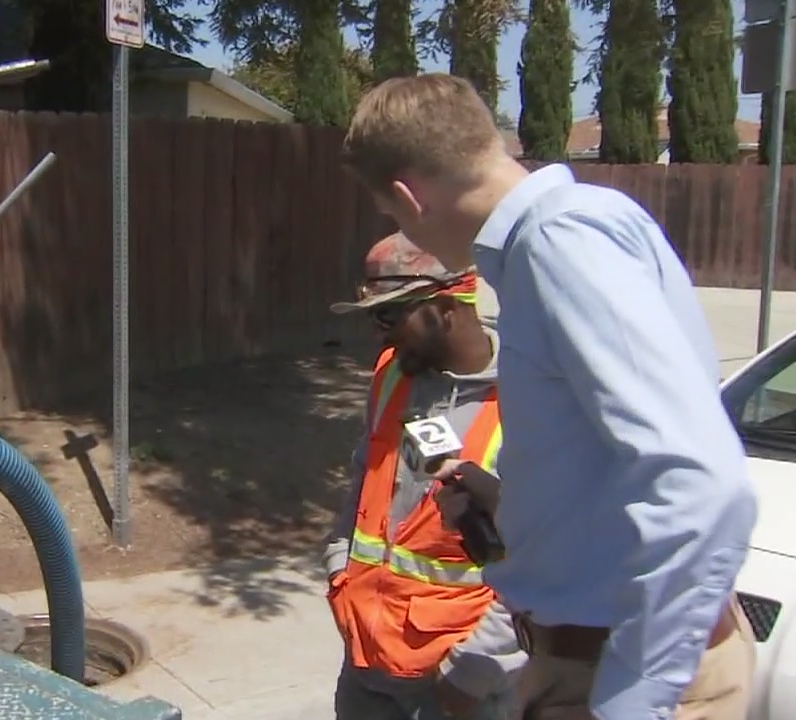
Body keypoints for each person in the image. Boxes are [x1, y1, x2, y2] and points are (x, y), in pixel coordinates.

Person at [339, 73, 758, 720]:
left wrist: (632, 703)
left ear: (407, 195)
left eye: (393, 216)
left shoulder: (561, 241)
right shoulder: (571, 234)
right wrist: (512, 505)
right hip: (581, 660)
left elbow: (703, 482)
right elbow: (616, 476)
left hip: (620, 672)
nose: (407, 232)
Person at [324, 232, 524, 720]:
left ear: (447, 307)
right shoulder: (394, 372)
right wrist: (338, 569)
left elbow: (545, 566)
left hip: (456, 687)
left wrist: (468, 675)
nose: (380, 333)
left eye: (390, 315)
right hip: (367, 665)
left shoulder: (530, 404)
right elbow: (364, 473)